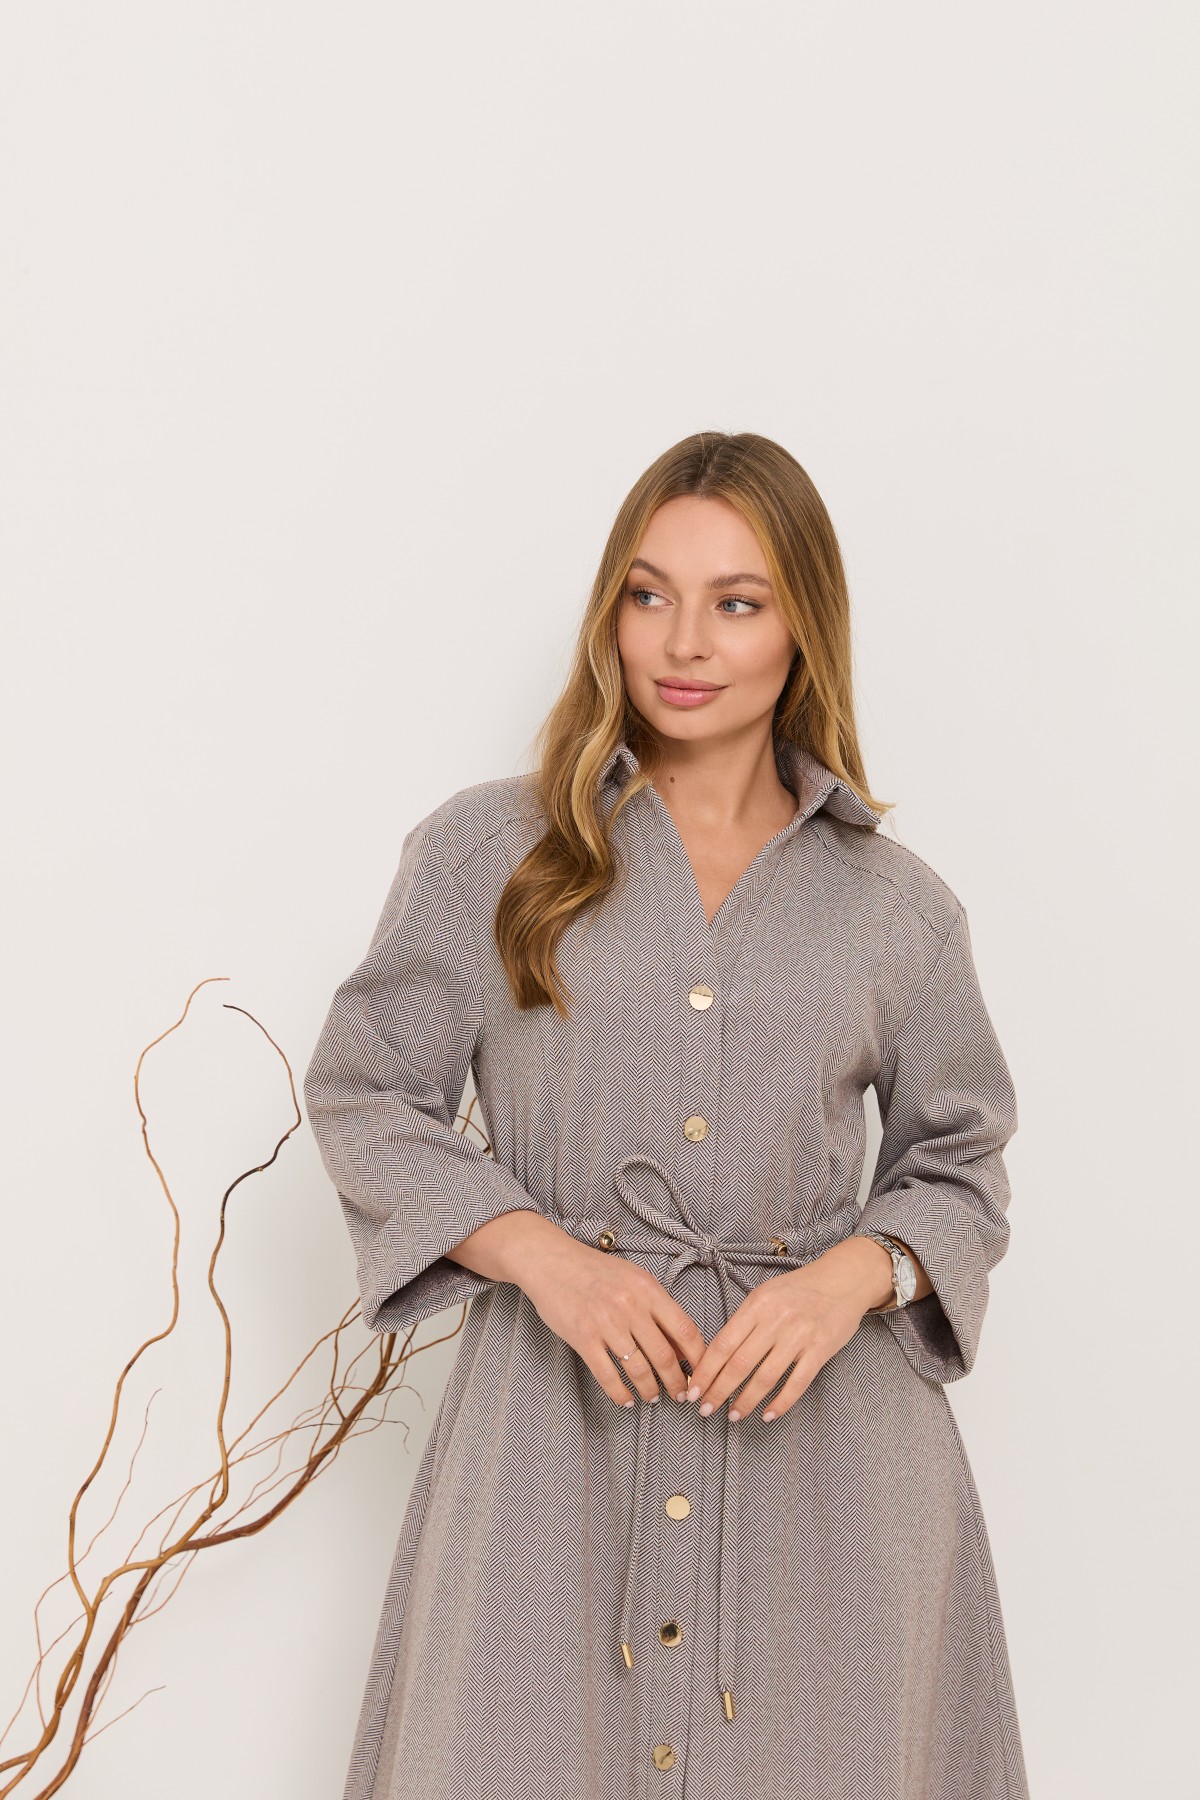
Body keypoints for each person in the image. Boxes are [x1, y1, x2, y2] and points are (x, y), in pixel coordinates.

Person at [303, 430, 1030, 1800]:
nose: (683, 641)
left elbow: (961, 1158)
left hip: (828, 1468)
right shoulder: (492, 851)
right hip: (549, 1444)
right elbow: (367, 1091)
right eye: (649, 594)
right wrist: (543, 1255)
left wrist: (849, 1280)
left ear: (803, 629)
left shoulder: (896, 907)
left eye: (736, 602)